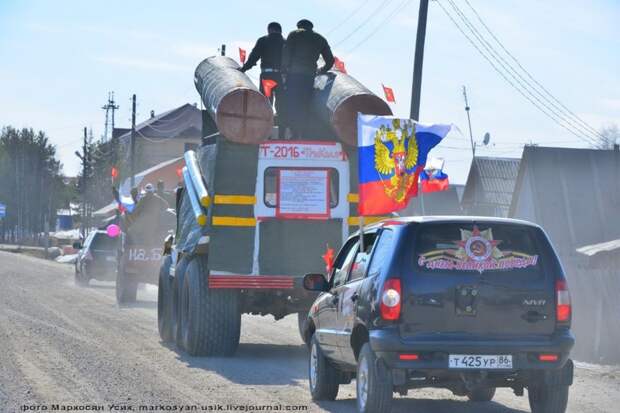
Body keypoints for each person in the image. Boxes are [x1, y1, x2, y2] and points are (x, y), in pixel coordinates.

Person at [281, 19, 334, 139]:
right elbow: (330, 60)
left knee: (292, 103)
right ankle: (305, 134)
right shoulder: (320, 38)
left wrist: (284, 70)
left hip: (294, 76)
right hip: (310, 76)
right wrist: (322, 70)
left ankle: (294, 134)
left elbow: (286, 54)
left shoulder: (294, 34)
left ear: (299, 26)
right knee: (306, 104)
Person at [240, 21, 285, 133]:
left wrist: (244, 69)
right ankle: (282, 133)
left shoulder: (263, 40)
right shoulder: (286, 42)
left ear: (269, 29)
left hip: (267, 78)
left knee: (266, 104)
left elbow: (253, 57)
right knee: (281, 104)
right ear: (280, 30)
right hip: (281, 77)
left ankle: (265, 132)